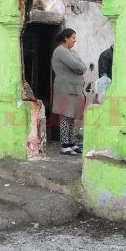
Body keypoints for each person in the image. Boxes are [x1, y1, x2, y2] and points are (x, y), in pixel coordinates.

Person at [51, 28, 87, 156]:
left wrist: (80, 68)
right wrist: (80, 68)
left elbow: (83, 65)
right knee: (66, 117)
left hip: (73, 89)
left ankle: (71, 143)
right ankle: (65, 146)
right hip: (65, 89)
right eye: (73, 37)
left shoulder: (71, 51)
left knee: (71, 117)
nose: (75, 40)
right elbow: (77, 66)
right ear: (65, 38)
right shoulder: (61, 51)